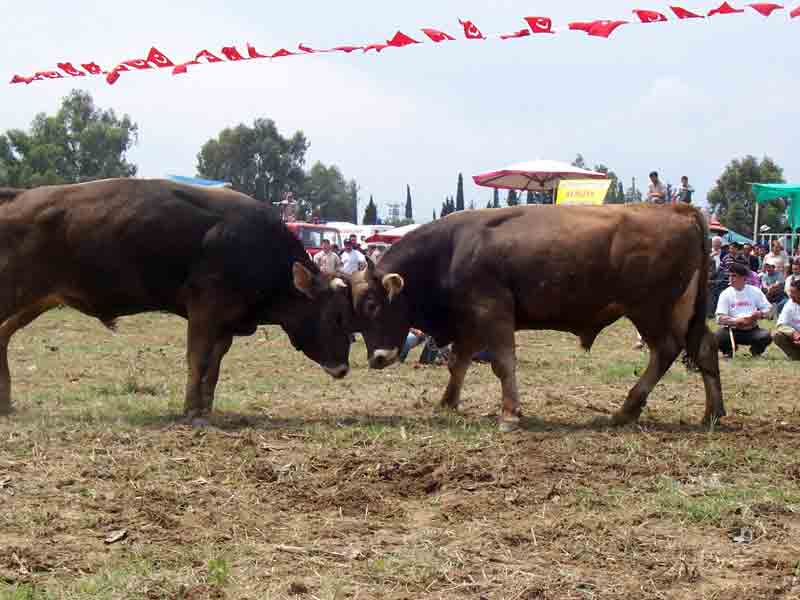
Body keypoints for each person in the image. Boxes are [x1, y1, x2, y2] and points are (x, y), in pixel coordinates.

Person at [715, 263, 773, 358]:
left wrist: (760, 314)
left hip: (752, 330)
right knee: (718, 336)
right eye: (729, 275)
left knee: (766, 336)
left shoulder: (755, 291)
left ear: (744, 278)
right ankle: (729, 351)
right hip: (733, 330)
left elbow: (769, 310)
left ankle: (755, 351)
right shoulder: (725, 294)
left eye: (734, 276)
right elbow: (719, 318)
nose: (730, 278)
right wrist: (737, 321)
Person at [773, 277, 800, 360]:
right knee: (777, 335)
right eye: (790, 292)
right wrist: (794, 334)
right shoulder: (789, 303)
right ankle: (796, 356)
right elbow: (780, 324)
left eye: (793, 292)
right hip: (796, 339)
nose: (790, 295)